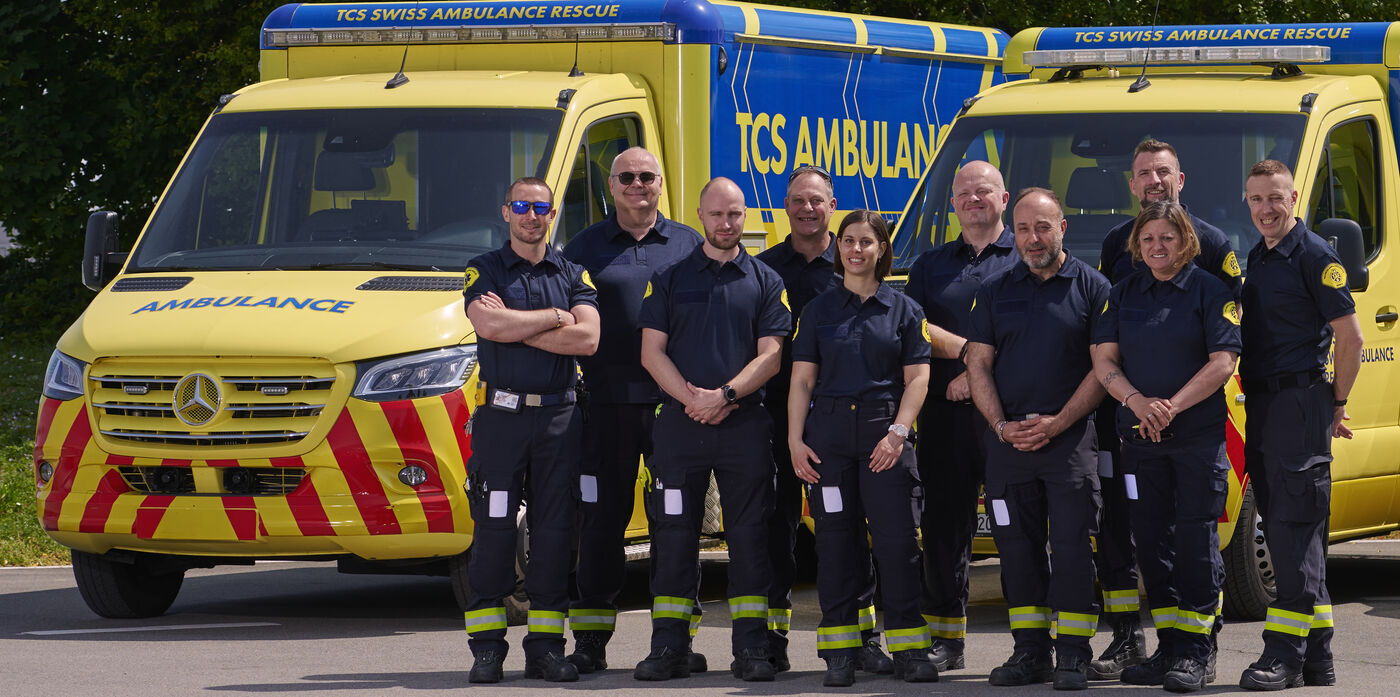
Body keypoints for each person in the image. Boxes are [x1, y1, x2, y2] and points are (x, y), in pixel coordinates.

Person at [1090, 138, 1241, 680]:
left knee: (1196, 541)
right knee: (1151, 541)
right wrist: (1135, 402)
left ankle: (1199, 653)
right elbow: (1104, 356)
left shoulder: (1208, 285)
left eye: (1168, 237)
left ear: (1188, 241)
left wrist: (1170, 407)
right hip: (1139, 438)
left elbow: (1224, 358)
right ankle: (1171, 647)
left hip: (1195, 435)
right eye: (1148, 238)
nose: (1157, 245)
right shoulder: (1124, 290)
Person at [634, 177, 790, 682]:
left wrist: (723, 397)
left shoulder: (767, 281)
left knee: (749, 537)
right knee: (674, 535)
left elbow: (771, 356)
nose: (727, 224)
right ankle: (670, 648)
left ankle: (751, 650)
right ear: (700, 215)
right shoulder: (671, 277)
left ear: (746, 218)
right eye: (718, 214)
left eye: (736, 215)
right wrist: (693, 400)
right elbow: (650, 351)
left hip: (743, 426)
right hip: (681, 429)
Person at [561, 146, 703, 674]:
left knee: (675, 523)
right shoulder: (583, 247)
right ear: (612, 186)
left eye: (647, 176)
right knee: (599, 523)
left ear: (660, 184)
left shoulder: (689, 245)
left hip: (675, 409)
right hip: (604, 410)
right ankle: (591, 642)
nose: (637, 185)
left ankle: (676, 640)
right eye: (626, 177)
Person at [965, 187, 1110, 690]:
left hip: (1068, 443)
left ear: (1062, 228)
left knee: (1071, 548)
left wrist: (1058, 422)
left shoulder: (1093, 288)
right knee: (1016, 549)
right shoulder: (995, 288)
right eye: (1023, 228)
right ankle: (1029, 652)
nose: (1032, 238)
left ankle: (1072, 654)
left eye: (1042, 227)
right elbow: (977, 363)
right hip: (1008, 447)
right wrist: (1001, 426)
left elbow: (1103, 369)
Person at [787, 210, 938, 686]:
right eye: (848, 241)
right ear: (839, 249)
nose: (855, 250)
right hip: (828, 441)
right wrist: (794, 440)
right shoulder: (816, 311)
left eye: (866, 242)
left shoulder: (905, 310)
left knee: (897, 547)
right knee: (835, 546)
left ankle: (911, 650)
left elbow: (919, 379)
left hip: (883, 437)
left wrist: (898, 433)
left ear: (881, 250)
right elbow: (801, 381)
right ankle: (841, 652)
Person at [460, 177, 600, 683]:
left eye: (540, 207)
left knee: (554, 534)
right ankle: (487, 650)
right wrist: (553, 318)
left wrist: (520, 327)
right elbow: (488, 327)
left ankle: (544, 649)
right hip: (503, 419)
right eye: (522, 205)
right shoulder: (485, 269)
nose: (531, 215)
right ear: (505, 211)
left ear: (553, 212)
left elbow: (587, 340)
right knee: (495, 530)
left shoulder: (574, 271)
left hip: (560, 419)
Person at [756, 164, 892, 676]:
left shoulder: (856, 265)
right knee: (777, 530)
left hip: (846, 420)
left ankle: (865, 636)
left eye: (817, 200)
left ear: (831, 205)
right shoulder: (764, 269)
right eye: (798, 200)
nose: (807, 208)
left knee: (854, 530)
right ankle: (772, 637)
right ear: (784, 206)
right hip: (778, 418)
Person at [1236, 160, 1362, 691]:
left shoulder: (1314, 254)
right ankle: (1318, 658)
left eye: (1276, 198)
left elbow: (1350, 338)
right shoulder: (1260, 255)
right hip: (1267, 406)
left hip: (1300, 403)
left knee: (1292, 532)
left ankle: (1283, 655)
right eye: (1256, 199)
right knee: (1295, 536)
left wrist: (1336, 402)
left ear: (1294, 198)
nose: (1267, 209)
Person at [904, 159, 1019, 672]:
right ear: (952, 202)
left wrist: (975, 378)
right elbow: (913, 328)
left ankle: (1031, 639)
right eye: (964, 193)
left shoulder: (1026, 256)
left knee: (1015, 525)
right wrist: (966, 367)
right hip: (945, 417)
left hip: (1007, 415)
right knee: (946, 527)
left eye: (984, 191)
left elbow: (1036, 332)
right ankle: (946, 639)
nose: (974, 199)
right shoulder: (929, 265)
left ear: (1004, 197)